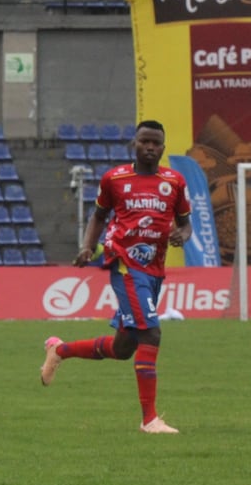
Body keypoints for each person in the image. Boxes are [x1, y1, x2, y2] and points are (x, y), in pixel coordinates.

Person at [41, 120, 192, 434]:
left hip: (154, 269)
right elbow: (99, 217)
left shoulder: (174, 182)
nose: (150, 147)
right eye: (144, 142)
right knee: (151, 334)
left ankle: (60, 350)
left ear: (163, 148)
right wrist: (86, 247)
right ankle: (149, 419)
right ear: (134, 144)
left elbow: (185, 224)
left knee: (124, 348)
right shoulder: (115, 179)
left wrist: (183, 233)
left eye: (156, 143)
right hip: (124, 264)